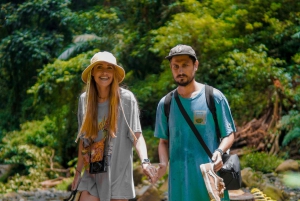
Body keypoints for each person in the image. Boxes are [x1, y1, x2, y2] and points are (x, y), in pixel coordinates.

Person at [154, 44, 236, 201]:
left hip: (210, 179)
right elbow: (163, 141)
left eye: (185, 65)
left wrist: (219, 152)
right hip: (179, 183)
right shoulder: (166, 104)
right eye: (175, 66)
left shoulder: (214, 97)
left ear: (195, 65)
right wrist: (163, 164)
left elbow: (229, 134)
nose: (180, 71)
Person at [72, 51, 157, 201]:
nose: (104, 72)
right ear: (92, 72)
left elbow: (136, 135)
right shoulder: (84, 100)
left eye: (109, 68)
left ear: (114, 73)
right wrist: (78, 173)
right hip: (93, 173)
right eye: (99, 67)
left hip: (118, 174)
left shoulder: (126, 99)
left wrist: (145, 162)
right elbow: (84, 142)